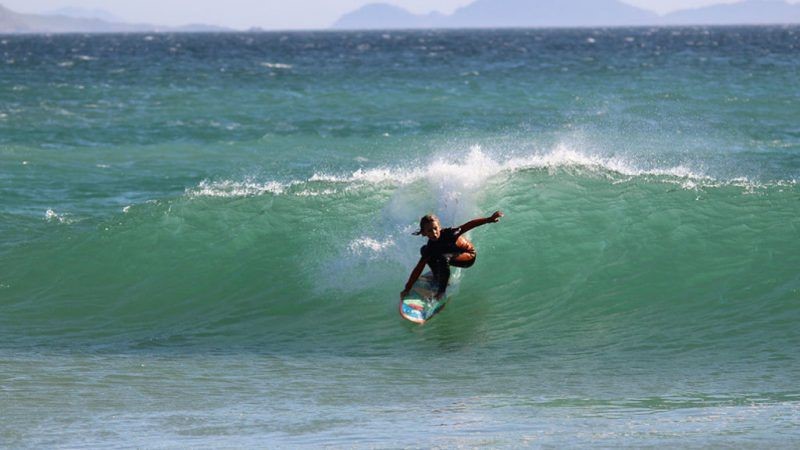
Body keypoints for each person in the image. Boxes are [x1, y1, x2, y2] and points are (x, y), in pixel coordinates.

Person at [400, 211, 504, 301]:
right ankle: (438, 277)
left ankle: (441, 291)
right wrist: (407, 288)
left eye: (435, 228)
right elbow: (419, 267)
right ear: (424, 233)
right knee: (425, 251)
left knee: (443, 258)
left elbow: (468, 226)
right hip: (449, 255)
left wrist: (489, 219)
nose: (434, 233)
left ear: (439, 227)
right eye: (430, 231)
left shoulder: (450, 233)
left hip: (468, 255)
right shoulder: (430, 246)